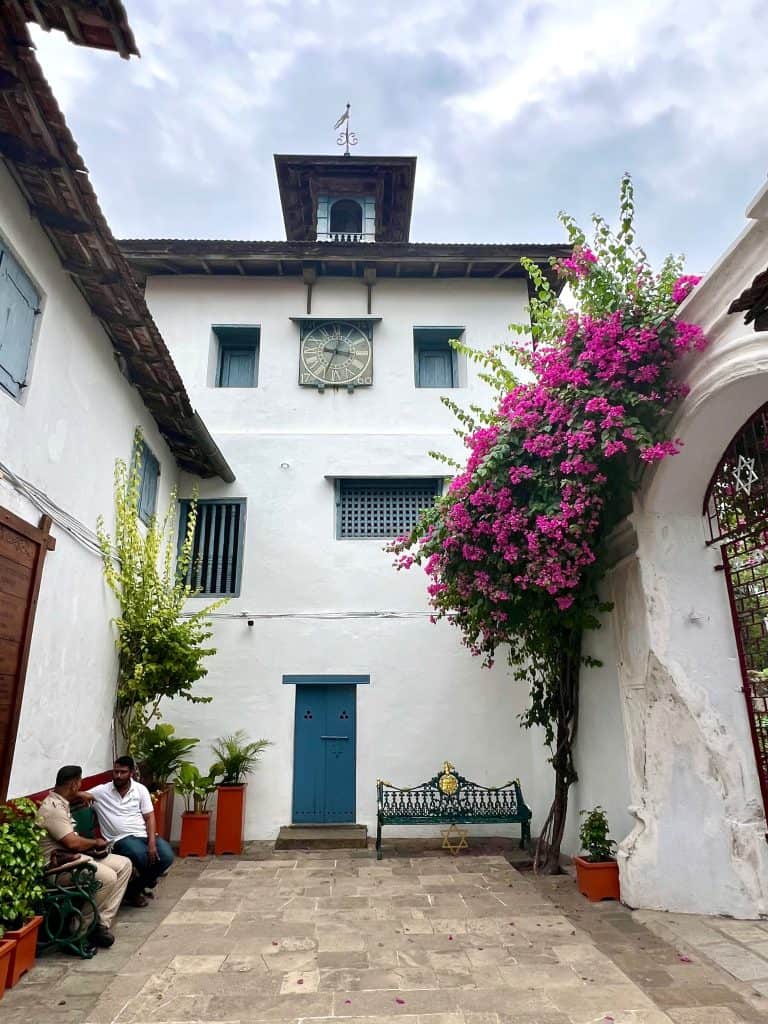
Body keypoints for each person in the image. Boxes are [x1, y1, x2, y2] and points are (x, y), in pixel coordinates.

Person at [36, 765, 132, 948]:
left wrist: (78, 794)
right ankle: (79, 930)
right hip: (57, 868)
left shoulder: (61, 798)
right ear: (73, 784)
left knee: (124, 864)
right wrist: (95, 843)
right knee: (108, 877)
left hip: (72, 858)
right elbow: (73, 843)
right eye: (79, 784)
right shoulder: (53, 809)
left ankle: (101, 924)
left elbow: (67, 794)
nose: (80, 787)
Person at [83, 755, 174, 907]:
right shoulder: (102, 791)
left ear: (131, 773)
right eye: (115, 771)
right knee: (140, 856)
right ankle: (140, 886)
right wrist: (81, 797)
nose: (118, 776)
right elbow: (78, 794)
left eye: (122, 772)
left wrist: (152, 844)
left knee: (166, 856)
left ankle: (132, 891)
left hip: (142, 836)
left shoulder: (140, 790)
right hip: (119, 840)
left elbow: (149, 817)